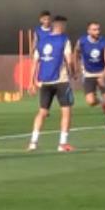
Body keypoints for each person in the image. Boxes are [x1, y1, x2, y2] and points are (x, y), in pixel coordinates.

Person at [29, 15, 76, 153]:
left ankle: (33, 142)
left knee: (42, 112)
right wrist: (73, 73)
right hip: (61, 80)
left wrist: (31, 82)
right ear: (60, 25)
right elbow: (69, 60)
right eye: (64, 25)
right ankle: (62, 144)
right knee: (66, 111)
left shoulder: (42, 41)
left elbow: (35, 63)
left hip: (45, 81)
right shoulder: (64, 39)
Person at [75, 21, 105, 132]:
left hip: (102, 72)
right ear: (89, 31)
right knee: (91, 101)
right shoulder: (82, 41)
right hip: (89, 74)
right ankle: (101, 102)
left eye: (98, 29)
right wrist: (76, 67)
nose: (97, 31)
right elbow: (76, 52)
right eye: (94, 29)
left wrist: (103, 76)